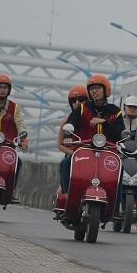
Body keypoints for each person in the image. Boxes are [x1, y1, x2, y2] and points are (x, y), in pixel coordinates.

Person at [59, 74, 125, 194]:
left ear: (106, 90)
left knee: (120, 167)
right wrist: (68, 135)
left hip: (108, 151)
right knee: (65, 163)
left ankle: (115, 208)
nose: (94, 91)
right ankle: (67, 196)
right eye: (91, 89)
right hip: (85, 149)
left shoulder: (116, 111)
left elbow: (119, 134)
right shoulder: (83, 108)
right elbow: (71, 123)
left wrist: (104, 123)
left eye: (98, 88)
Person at [53, 85, 88, 216]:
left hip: (91, 155)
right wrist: (74, 154)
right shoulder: (66, 122)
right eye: (74, 100)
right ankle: (67, 196)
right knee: (65, 164)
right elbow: (60, 145)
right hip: (73, 156)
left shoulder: (92, 121)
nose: (78, 103)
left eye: (82, 99)